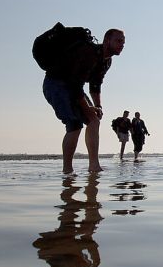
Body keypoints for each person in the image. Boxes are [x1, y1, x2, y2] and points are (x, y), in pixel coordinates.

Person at [42, 28, 125, 174]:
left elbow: (95, 85)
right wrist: (87, 108)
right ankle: (67, 171)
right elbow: (75, 86)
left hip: (73, 87)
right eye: (118, 41)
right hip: (56, 83)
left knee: (94, 120)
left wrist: (98, 106)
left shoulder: (107, 61)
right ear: (107, 41)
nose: (122, 45)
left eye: (123, 42)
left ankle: (94, 166)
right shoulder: (89, 53)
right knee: (74, 124)